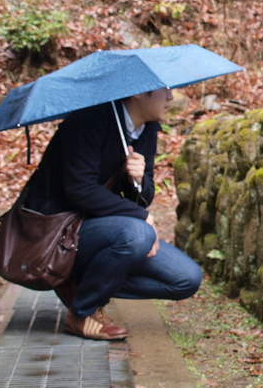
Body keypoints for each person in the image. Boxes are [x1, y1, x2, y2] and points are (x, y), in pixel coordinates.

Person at [24, 89, 202, 340]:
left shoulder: (147, 130)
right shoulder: (88, 120)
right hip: (57, 231)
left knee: (186, 278)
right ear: (140, 92)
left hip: (97, 227)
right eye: (164, 90)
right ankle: (82, 313)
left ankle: (78, 282)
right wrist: (141, 217)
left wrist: (137, 178)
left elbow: (142, 197)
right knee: (136, 233)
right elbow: (80, 190)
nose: (171, 98)